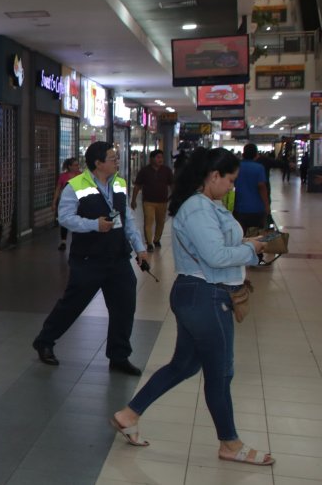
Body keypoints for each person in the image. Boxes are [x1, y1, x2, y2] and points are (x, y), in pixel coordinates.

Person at [109, 148, 273, 466]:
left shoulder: (206, 205)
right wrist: (252, 249)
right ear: (213, 176)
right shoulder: (198, 209)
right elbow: (216, 257)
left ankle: (128, 415)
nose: (231, 186)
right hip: (205, 296)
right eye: (230, 180)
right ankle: (230, 442)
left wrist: (250, 246)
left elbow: (219, 249)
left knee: (184, 365)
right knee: (220, 372)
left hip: (200, 295)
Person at [33, 141, 150, 374]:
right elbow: (64, 217)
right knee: (73, 304)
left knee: (124, 306)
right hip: (89, 259)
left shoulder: (119, 184)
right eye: (112, 157)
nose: (117, 160)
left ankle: (119, 356)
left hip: (117, 257)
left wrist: (140, 248)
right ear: (98, 163)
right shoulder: (75, 185)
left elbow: (126, 219)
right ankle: (45, 341)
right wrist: (93, 225)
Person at [131, 149, 174, 252]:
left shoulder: (166, 170)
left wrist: (174, 197)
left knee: (160, 222)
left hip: (162, 201)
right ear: (151, 159)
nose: (160, 159)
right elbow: (137, 186)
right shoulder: (144, 171)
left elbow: (172, 184)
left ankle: (156, 239)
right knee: (148, 221)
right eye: (158, 157)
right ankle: (149, 243)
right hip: (148, 201)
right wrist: (133, 200)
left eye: (161, 157)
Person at [232, 144, 269, 235]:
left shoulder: (237, 167)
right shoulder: (259, 168)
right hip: (257, 209)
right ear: (256, 154)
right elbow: (262, 187)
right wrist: (267, 206)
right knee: (256, 235)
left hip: (239, 208)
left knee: (241, 235)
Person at [53, 158, 80, 251]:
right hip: (66, 203)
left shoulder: (80, 175)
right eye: (75, 165)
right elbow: (58, 189)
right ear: (70, 166)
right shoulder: (63, 176)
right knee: (65, 221)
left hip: (78, 202)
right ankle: (63, 241)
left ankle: (76, 241)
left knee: (77, 221)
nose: (77, 167)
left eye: (78, 165)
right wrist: (54, 202)